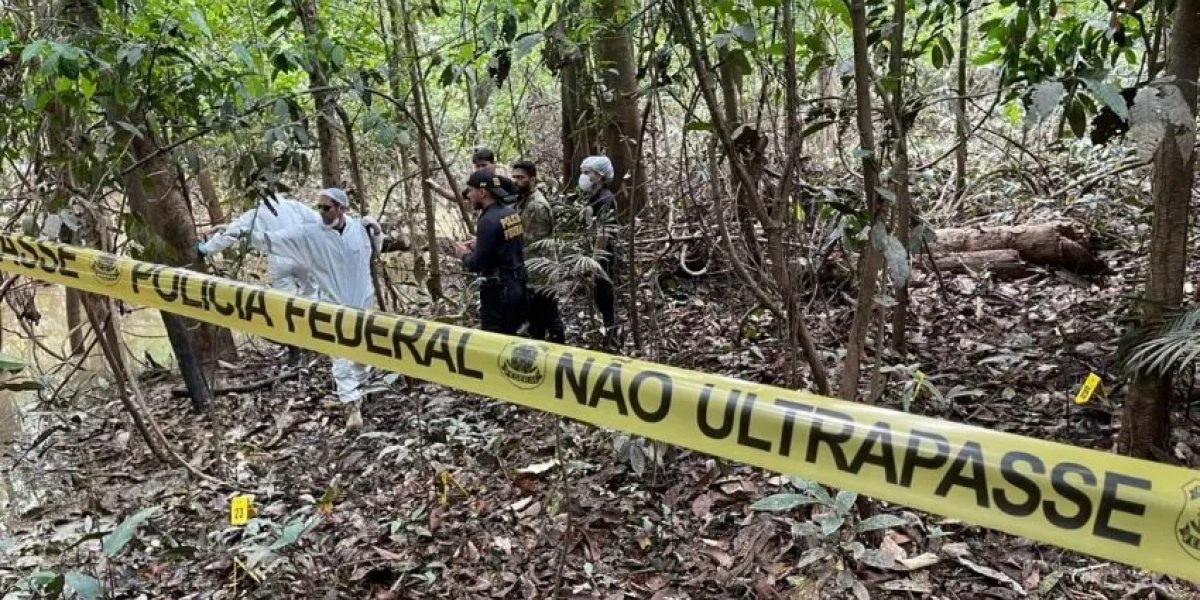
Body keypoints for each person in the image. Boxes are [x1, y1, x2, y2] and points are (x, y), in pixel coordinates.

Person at [249, 188, 382, 431]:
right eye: (319, 207)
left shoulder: (360, 229)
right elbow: (275, 240)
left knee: (363, 353)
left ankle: (362, 391)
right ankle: (351, 405)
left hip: (362, 301)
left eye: (326, 208)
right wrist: (242, 234)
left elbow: (374, 250)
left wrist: (377, 231)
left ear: (342, 209)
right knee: (340, 355)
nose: (321, 212)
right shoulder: (311, 234)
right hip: (332, 304)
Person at [197, 194, 321, 365]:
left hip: (279, 260)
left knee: (287, 307)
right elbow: (320, 222)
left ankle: (295, 352)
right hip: (304, 256)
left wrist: (205, 249)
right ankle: (317, 343)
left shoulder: (255, 214)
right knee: (312, 298)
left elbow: (232, 233)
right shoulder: (295, 206)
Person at [454, 170, 528, 335]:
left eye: (471, 191)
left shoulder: (487, 220)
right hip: (518, 286)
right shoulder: (510, 212)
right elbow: (508, 244)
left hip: (499, 294)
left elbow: (477, 264)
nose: (469, 196)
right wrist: (480, 243)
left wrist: (463, 254)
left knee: (496, 340)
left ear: (482, 193)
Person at [509, 160, 564, 343]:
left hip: (541, 274)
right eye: (514, 177)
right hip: (531, 272)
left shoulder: (537, 205)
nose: (516, 181)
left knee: (550, 318)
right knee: (536, 322)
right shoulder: (523, 200)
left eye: (521, 178)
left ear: (532, 179)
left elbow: (532, 243)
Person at [579, 155, 620, 345]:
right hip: (595, 253)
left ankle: (612, 336)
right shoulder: (593, 197)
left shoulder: (605, 199)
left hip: (605, 256)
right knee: (599, 296)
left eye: (588, 173)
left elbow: (603, 234)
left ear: (600, 176)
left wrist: (593, 263)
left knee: (606, 296)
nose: (584, 177)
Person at [425, 147, 517, 202]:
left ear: (494, 164)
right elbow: (458, 197)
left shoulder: (505, 183)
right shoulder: (476, 185)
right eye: (478, 166)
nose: (481, 169)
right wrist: (437, 187)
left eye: (484, 165)